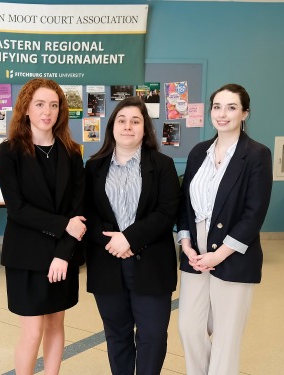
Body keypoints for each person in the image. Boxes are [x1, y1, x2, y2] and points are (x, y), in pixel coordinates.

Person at [177, 83, 273, 375]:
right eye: (217, 107)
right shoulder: (198, 153)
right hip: (195, 255)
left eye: (231, 107)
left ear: (245, 113)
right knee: (189, 329)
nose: (222, 114)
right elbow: (185, 206)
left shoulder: (256, 155)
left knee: (226, 339)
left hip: (233, 254)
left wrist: (218, 256)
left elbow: (254, 213)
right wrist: (186, 244)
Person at [84, 96, 180, 375]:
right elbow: (87, 214)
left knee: (152, 336)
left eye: (135, 121)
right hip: (107, 264)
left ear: (144, 128)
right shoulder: (94, 167)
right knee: (117, 335)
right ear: (112, 126)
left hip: (151, 263)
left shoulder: (162, 164)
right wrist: (113, 242)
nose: (128, 126)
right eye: (122, 120)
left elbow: (167, 211)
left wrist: (130, 238)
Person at [0, 78, 85, 375]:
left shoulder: (72, 152)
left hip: (63, 254)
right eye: (39, 104)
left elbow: (78, 209)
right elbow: (17, 208)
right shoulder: (10, 151)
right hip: (26, 255)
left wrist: (63, 253)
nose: (47, 111)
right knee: (32, 330)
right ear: (25, 109)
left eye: (53, 104)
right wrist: (64, 225)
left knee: (56, 324)